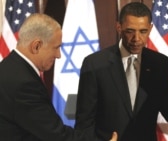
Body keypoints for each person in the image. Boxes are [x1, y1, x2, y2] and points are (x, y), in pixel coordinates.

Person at [74, 2, 168, 141]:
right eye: (130, 31)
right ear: (119, 27)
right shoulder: (95, 64)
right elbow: (84, 122)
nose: (137, 39)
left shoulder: (160, 64)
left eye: (143, 31)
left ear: (150, 29)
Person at [0, 13, 117, 141]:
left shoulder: (9, 68)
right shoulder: (24, 83)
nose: (58, 55)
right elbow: (56, 135)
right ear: (36, 46)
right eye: (56, 48)